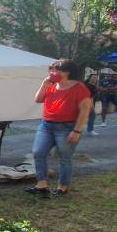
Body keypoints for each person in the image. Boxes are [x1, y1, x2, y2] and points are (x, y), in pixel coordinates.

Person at [27, 59, 93, 198]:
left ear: (66, 72)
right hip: (46, 125)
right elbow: (38, 99)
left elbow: (84, 111)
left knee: (64, 158)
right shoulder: (51, 85)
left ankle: (63, 187)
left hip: (66, 126)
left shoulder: (79, 88)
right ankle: (42, 184)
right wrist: (44, 84)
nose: (52, 72)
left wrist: (77, 131)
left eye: (55, 70)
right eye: (51, 69)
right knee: (38, 153)